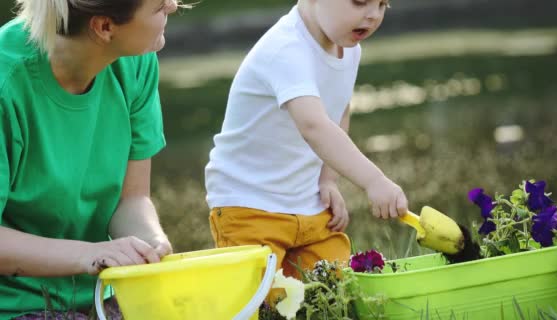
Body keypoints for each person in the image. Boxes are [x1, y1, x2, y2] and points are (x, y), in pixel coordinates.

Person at [0, 0, 182, 318]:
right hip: (15, 306)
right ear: (104, 27)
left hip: (97, 295)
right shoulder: (7, 83)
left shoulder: (136, 60)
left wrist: (151, 243)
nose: (173, 6)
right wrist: (92, 255)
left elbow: (132, 198)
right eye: (158, 7)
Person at [204, 0, 408, 280]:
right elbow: (314, 125)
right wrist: (373, 181)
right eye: (360, 1)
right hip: (250, 206)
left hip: (307, 205)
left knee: (335, 290)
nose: (373, 15)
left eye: (383, 3)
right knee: (261, 303)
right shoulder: (286, 49)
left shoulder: (349, 51)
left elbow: (339, 110)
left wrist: (328, 179)